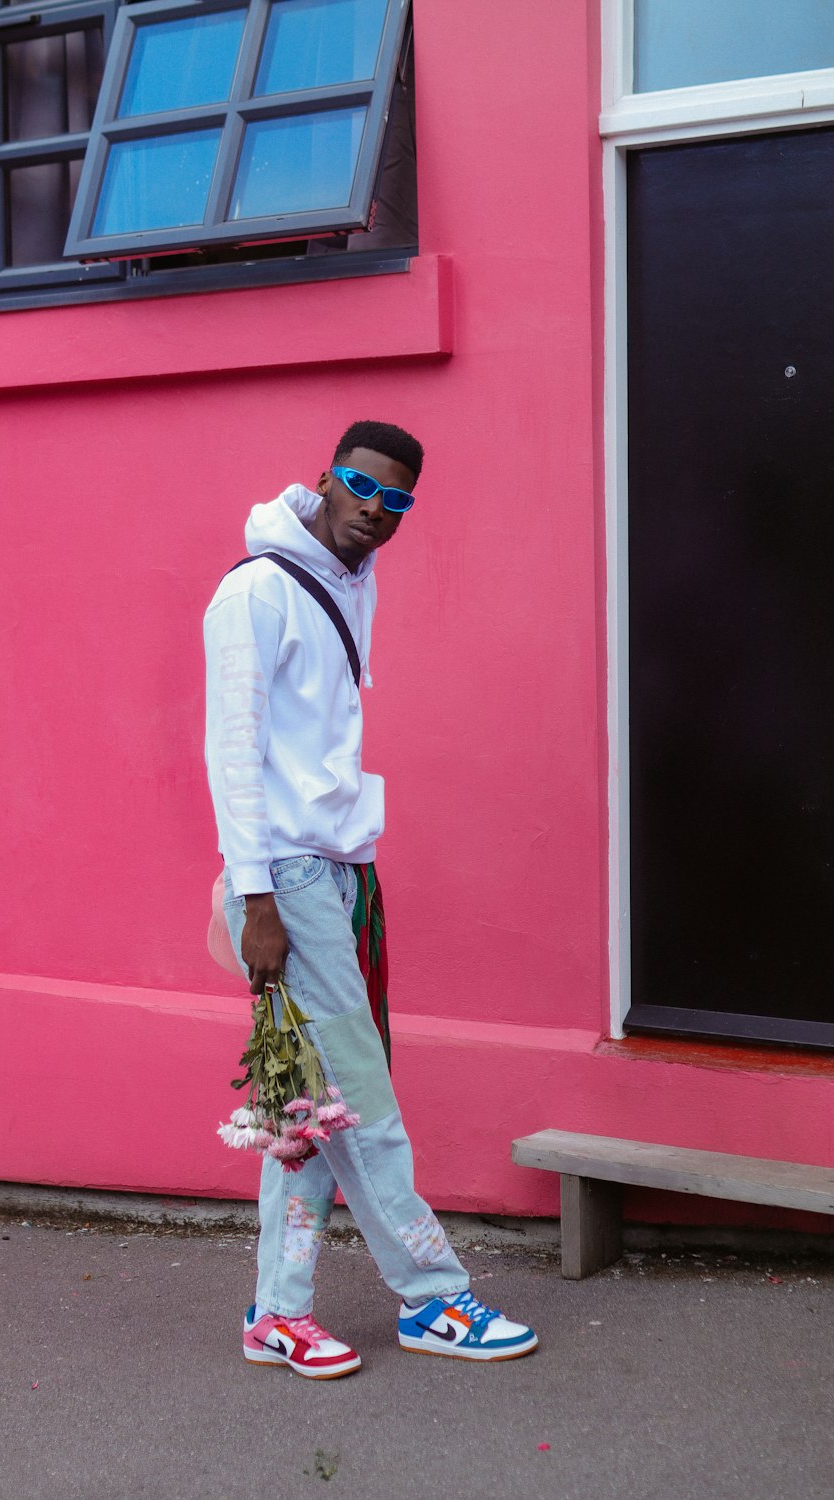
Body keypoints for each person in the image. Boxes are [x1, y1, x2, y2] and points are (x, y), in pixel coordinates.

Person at [203, 419, 537, 1379]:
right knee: (362, 1099)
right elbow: (233, 756)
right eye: (362, 486)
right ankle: (434, 1299)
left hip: (342, 870)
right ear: (326, 478)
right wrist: (257, 898)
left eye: (398, 501)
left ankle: (278, 1311)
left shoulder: (356, 579)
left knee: (307, 1108)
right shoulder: (258, 590)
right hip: (290, 875)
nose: (376, 510)